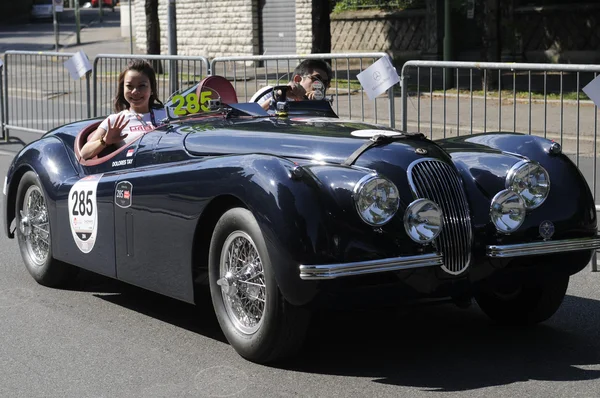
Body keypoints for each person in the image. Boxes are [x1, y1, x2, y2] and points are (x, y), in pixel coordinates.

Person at [80, 59, 166, 161]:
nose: (135, 91)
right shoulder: (115, 120)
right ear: (123, 89)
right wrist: (105, 141)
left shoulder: (167, 114)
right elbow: (84, 153)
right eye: (129, 86)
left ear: (152, 89)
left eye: (142, 86)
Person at [256, 59, 333, 111]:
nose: (321, 85)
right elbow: (249, 116)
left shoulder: (322, 102)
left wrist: (314, 105)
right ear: (298, 80)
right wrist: (278, 96)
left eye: (325, 82)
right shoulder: (268, 92)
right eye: (316, 79)